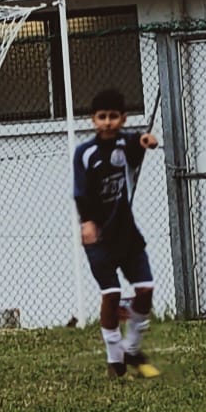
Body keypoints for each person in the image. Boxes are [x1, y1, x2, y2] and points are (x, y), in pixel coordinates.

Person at [73, 87, 160, 379]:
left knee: (145, 289)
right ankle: (115, 358)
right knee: (111, 295)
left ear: (122, 118)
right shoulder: (85, 154)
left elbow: (138, 142)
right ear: (93, 120)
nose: (107, 122)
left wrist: (147, 140)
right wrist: (87, 222)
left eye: (113, 116)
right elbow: (80, 193)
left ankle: (131, 348)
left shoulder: (127, 144)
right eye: (102, 116)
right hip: (98, 237)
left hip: (127, 234)